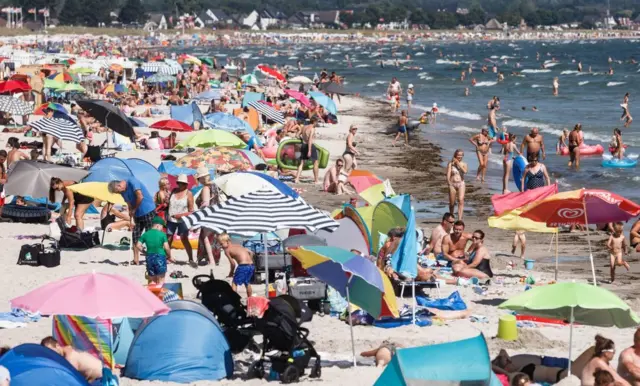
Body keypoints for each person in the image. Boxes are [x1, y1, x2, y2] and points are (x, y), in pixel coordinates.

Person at [108, 178, 156, 265]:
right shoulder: (122, 192)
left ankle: (151, 258)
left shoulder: (132, 182)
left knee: (150, 236)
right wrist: (131, 218)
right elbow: (129, 204)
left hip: (148, 210)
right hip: (137, 214)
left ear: (119, 185)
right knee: (135, 236)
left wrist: (134, 209)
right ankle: (136, 259)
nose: (118, 193)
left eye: (117, 191)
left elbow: (140, 196)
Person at [166, 174, 195, 266]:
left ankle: (190, 258)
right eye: (179, 183)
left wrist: (180, 215)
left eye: (183, 183)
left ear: (186, 184)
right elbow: (169, 204)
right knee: (168, 238)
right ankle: (168, 257)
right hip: (171, 219)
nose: (181, 185)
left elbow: (191, 211)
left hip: (183, 220)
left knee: (184, 239)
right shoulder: (173, 191)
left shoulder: (189, 194)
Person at [136, 216, 174, 285]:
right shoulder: (162, 234)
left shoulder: (146, 234)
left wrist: (144, 252)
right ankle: (159, 295)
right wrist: (169, 256)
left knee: (152, 281)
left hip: (149, 257)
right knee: (161, 280)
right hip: (160, 257)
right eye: (162, 227)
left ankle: (151, 295)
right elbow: (166, 247)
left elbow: (138, 245)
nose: (162, 229)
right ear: (157, 225)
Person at [195, 166, 219, 266]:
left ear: (201, 178)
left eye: (198, 178)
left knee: (206, 238)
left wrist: (199, 213)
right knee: (214, 238)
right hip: (217, 214)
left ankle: (211, 260)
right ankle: (214, 259)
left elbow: (206, 204)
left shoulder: (205, 188)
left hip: (208, 215)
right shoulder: (215, 186)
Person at [294, 117, 319, 184]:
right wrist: (309, 150)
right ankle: (316, 180)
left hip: (303, 145)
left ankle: (297, 179)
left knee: (301, 163)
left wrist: (302, 139)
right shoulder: (312, 129)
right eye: (317, 122)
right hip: (309, 146)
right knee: (315, 162)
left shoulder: (304, 127)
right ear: (314, 122)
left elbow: (297, 135)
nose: (317, 124)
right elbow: (310, 140)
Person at [446, 149, 468, 219]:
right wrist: (449, 183)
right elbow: (448, 174)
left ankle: (460, 218)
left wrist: (458, 163)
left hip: (461, 183)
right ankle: (451, 216)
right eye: (458, 155)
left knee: (461, 200)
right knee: (452, 203)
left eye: (461, 155)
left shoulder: (464, 164)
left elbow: (465, 171)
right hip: (452, 184)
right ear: (455, 155)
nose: (459, 156)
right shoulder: (450, 164)